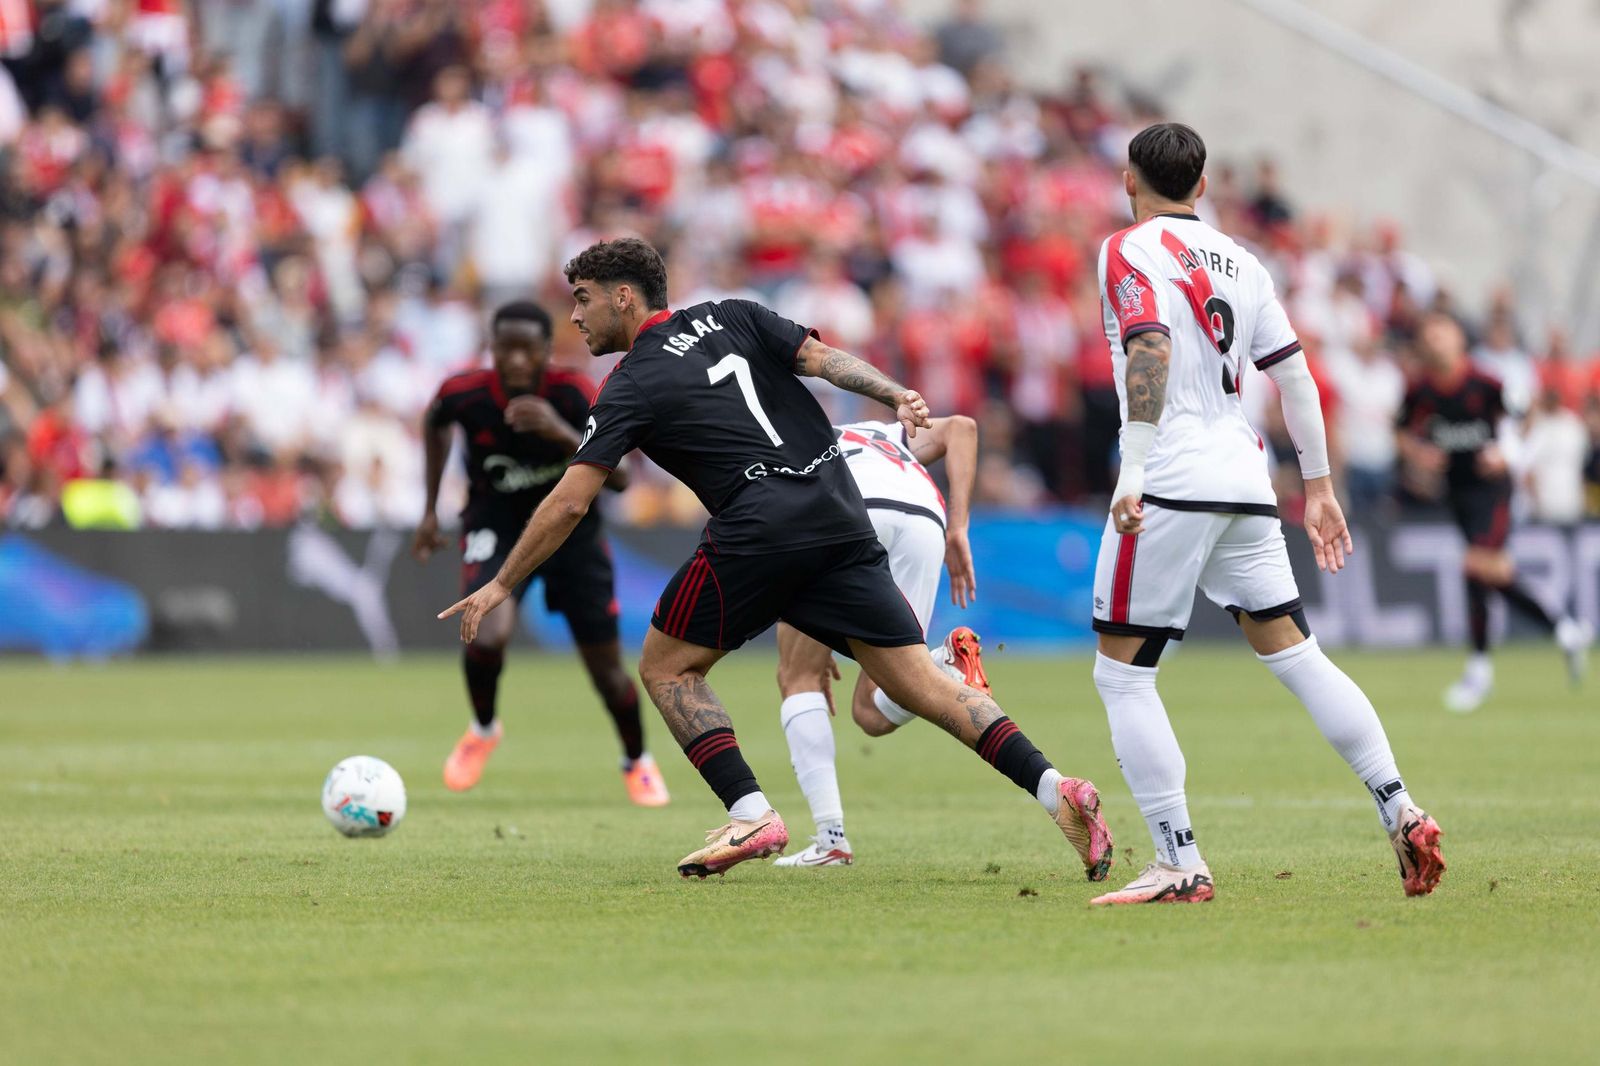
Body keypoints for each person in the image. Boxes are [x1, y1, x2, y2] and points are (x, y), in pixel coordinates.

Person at [440, 238, 1114, 881]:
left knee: (667, 666)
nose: (574, 316)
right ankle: (1057, 790)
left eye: (583, 298)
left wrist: (501, 583)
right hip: (839, 510)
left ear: (623, 297)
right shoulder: (734, 314)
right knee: (917, 685)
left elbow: (569, 502)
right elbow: (823, 360)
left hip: (759, 524)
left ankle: (751, 814)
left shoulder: (629, 382)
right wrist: (893, 393)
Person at [1088, 124, 1445, 905]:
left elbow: (1148, 348)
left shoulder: (1126, 248)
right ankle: (1400, 805)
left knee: (1122, 676)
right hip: (1245, 478)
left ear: (1129, 180)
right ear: (1202, 185)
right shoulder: (1243, 260)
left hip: (1171, 476)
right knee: (1298, 655)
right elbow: (1296, 377)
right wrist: (1319, 488)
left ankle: (1179, 861)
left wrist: (1134, 469)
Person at [414, 300, 669, 806]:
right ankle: (483, 729)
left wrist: (559, 431)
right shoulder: (463, 393)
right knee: (487, 632)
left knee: (606, 672)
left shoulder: (572, 394)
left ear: (546, 350)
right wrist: (429, 510)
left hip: (572, 533)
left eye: (527, 350)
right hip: (495, 525)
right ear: (491, 348)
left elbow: (619, 479)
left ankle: (637, 760)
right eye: (505, 349)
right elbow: (435, 421)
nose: (515, 360)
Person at [772, 413, 985, 867]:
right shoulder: (883, 433)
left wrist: (813, 621)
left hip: (849, 510)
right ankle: (943, 661)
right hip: (923, 517)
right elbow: (962, 427)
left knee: (797, 675)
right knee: (873, 709)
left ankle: (830, 839)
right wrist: (958, 528)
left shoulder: (787, 433)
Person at [1397, 314, 1590, 712]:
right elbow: (1399, 430)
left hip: (1493, 492)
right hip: (1458, 493)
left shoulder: (1486, 383)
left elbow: (1529, 414)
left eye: (1441, 332)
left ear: (1458, 340)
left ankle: (1479, 671)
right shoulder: (1420, 390)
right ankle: (1565, 629)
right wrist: (1419, 453)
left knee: (1474, 567)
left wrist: (1509, 454)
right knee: (1493, 573)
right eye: (1428, 335)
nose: (1434, 340)